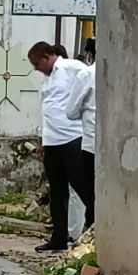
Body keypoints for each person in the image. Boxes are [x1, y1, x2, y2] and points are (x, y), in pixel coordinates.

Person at [28, 41, 88, 252]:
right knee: (57, 192)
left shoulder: (73, 68)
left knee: (81, 186)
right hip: (52, 142)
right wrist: (42, 139)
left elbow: (91, 86)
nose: (36, 69)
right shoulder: (47, 79)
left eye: (37, 63)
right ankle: (59, 237)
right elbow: (46, 110)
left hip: (72, 138)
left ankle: (93, 228)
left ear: (47, 56)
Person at [66, 37, 97, 229]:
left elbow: (71, 111)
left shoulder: (87, 75)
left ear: (89, 55)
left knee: (84, 191)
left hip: (90, 142)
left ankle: (81, 233)